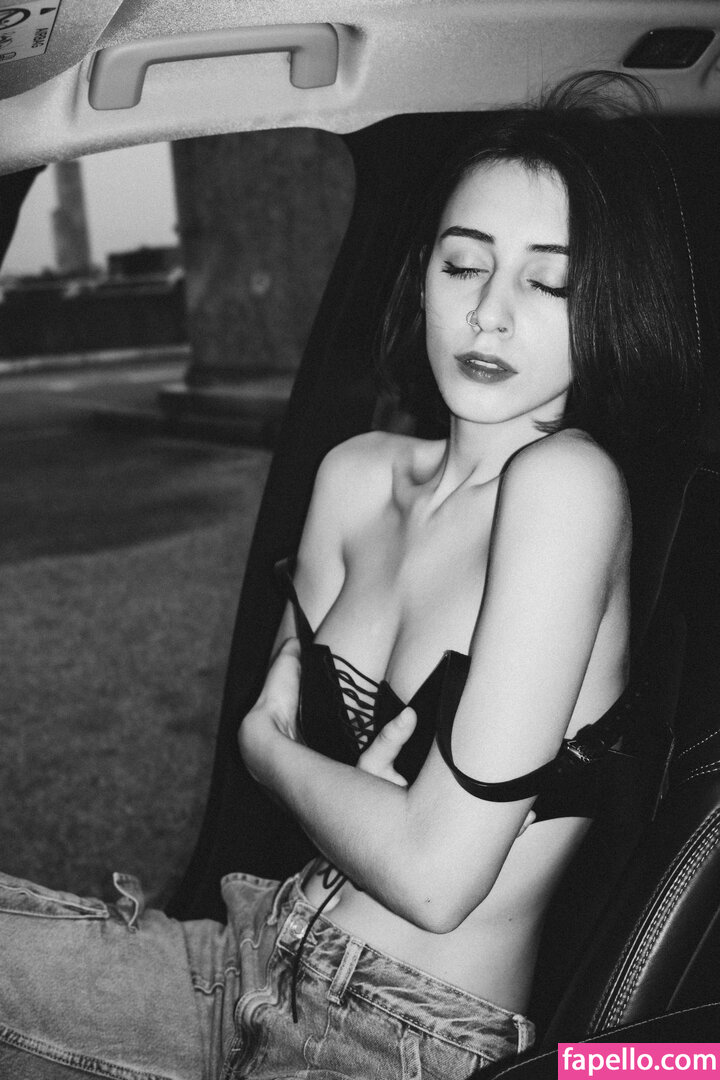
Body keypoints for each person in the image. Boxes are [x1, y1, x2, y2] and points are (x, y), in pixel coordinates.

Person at [0, 73, 700, 1079]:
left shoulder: (570, 486)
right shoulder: (357, 476)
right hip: (252, 948)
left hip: (399, 1035)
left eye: (549, 283)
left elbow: (434, 877)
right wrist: (314, 775)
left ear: (609, 304)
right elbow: (320, 764)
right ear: (424, 278)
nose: (489, 313)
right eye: (465, 265)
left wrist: (270, 754)